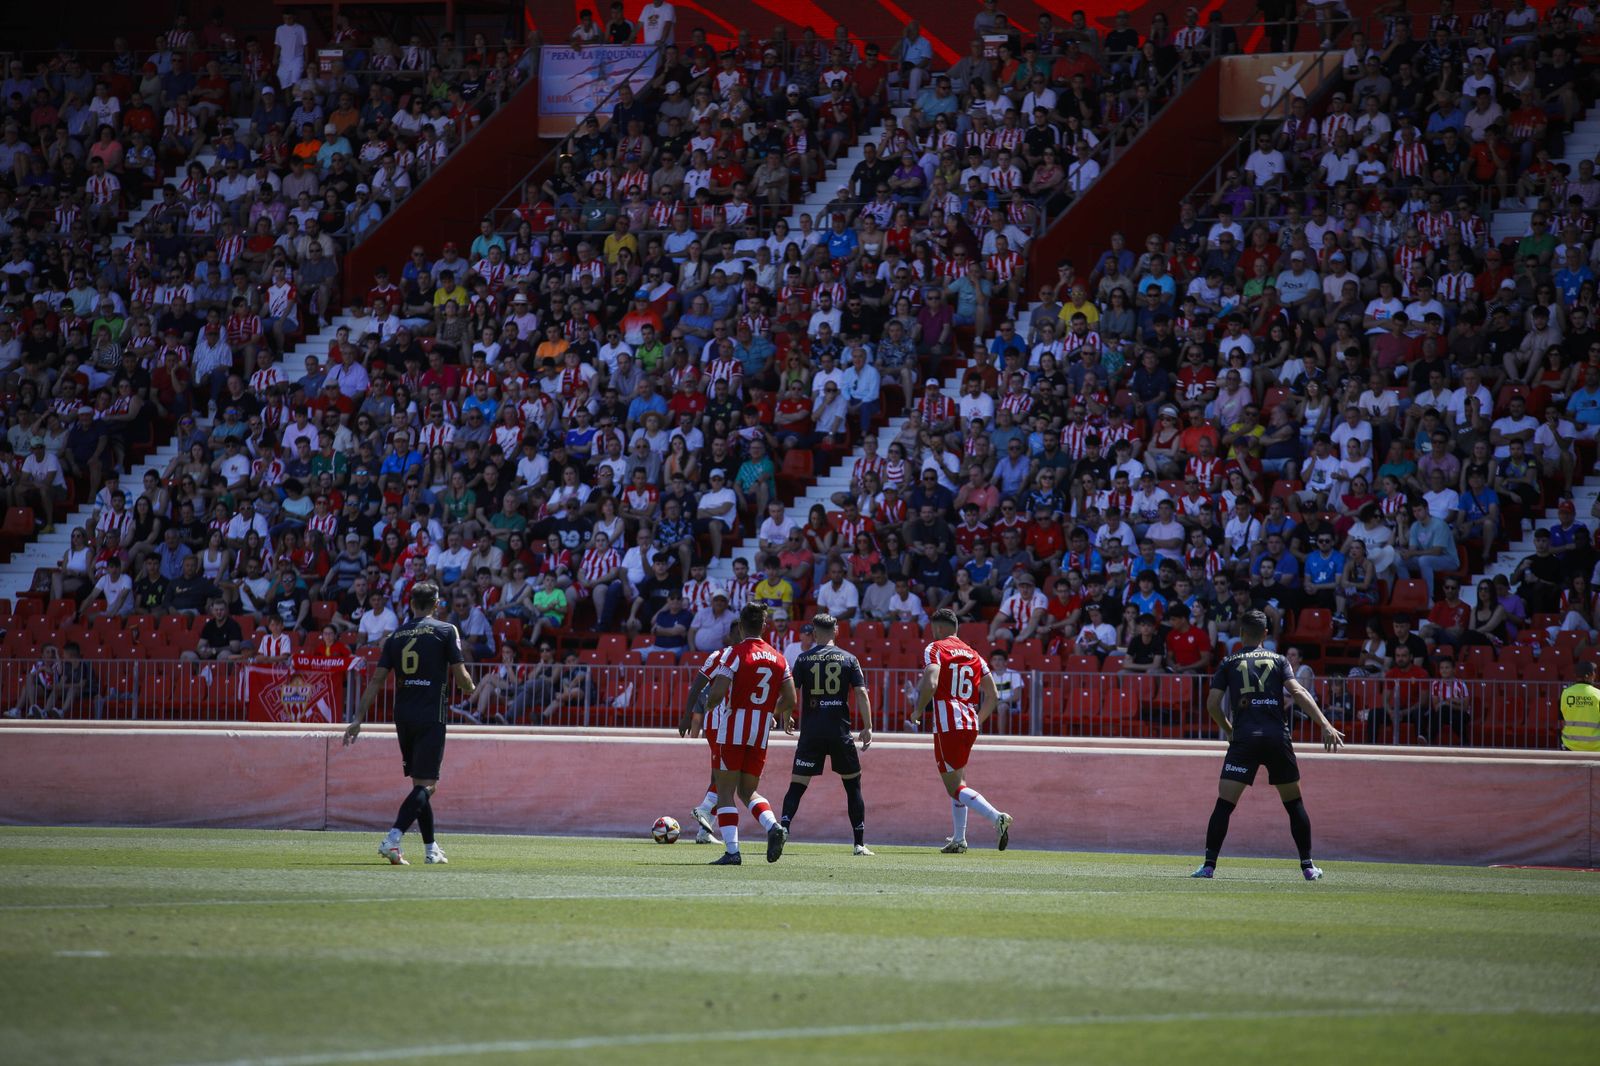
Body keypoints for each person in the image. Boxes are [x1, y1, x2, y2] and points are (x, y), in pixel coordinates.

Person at [1192, 610, 1344, 881]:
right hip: (1276, 736)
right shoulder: (1279, 660)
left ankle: (1208, 866)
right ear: (1266, 634)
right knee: (1294, 803)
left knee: (1224, 805)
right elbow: (1297, 692)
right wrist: (1325, 724)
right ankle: (1308, 867)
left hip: (1244, 739)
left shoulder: (1228, 662)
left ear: (1241, 633)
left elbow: (1212, 705)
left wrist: (1229, 731)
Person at [342, 582, 476, 866]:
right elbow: (462, 678)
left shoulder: (396, 635)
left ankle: (431, 849)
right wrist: (470, 687)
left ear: (411, 604)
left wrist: (358, 718)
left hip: (403, 715)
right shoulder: (445, 630)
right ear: (437, 604)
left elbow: (377, 680)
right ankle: (392, 838)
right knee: (428, 787)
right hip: (431, 714)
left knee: (420, 783)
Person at [908, 607, 1012, 853]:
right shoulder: (974, 654)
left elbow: (931, 682)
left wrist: (918, 710)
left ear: (939, 628)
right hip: (969, 723)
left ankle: (997, 817)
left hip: (947, 723)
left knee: (954, 787)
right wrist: (977, 720)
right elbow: (993, 695)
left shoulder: (935, 648)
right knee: (960, 780)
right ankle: (959, 839)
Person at [699, 603, 797, 865]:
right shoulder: (779, 657)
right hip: (760, 731)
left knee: (725, 791)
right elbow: (790, 698)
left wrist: (708, 706)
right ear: (765, 626)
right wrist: (768, 712)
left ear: (741, 626)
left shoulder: (734, 653)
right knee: (748, 791)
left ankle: (732, 851)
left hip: (732, 729)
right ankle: (774, 826)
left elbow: (718, 692)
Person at [779, 613, 875, 856]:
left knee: (797, 786)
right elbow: (862, 694)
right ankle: (859, 844)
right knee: (852, 786)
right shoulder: (849, 659)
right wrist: (868, 726)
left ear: (813, 633)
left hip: (811, 732)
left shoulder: (803, 658)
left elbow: (791, 691)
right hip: (839, 731)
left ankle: (783, 829)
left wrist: (786, 713)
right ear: (836, 631)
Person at [680, 616, 741, 844]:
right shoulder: (720, 656)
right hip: (719, 723)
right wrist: (687, 716)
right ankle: (704, 814)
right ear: (732, 635)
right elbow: (698, 683)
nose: (742, 637)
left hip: (732, 724)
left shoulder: (746, 657)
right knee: (725, 776)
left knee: (719, 775)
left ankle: (704, 831)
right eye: (738, 633)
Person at [1559, 660, 1600, 752]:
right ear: (1590, 675)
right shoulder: (1598, 695)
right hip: (1596, 748)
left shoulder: (1565, 693)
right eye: (1594, 673)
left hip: (1570, 746)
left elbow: (1562, 721)